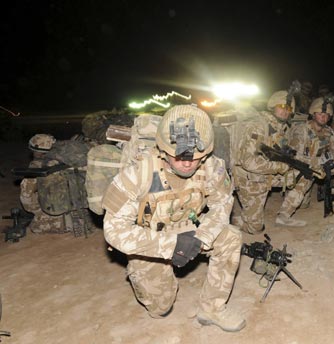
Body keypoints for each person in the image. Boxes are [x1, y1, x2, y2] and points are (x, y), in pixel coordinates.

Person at [102, 105, 245, 332]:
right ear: (163, 149)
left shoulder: (212, 167)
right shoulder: (139, 173)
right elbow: (114, 231)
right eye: (178, 156)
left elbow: (222, 203)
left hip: (192, 228)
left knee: (231, 237)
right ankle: (153, 279)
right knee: (161, 309)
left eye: (196, 157)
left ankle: (212, 308)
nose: (187, 163)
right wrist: (171, 245)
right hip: (150, 239)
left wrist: (202, 236)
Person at [232, 90, 303, 232]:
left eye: (288, 109)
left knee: (301, 175)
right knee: (255, 229)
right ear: (272, 106)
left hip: (264, 175)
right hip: (248, 179)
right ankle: (233, 219)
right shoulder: (259, 126)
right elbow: (248, 162)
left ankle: (284, 215)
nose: (285, 111)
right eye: (281, 107)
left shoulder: (280, 127)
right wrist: (278, 167)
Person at [280, 97, 334, 215]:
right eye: (320, 114)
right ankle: (285, 211)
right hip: (302, 168)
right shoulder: (302, 130)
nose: (323, 117)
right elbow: (295, 156)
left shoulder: (328, 131)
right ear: (313, 114)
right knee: (303, 204)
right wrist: (317, 162)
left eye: (326, 115)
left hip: (319, 166)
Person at [20, 134, 67, 234]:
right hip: (78, 214)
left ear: (36, 151)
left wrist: (38, 211)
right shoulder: (69, 161)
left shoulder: (37, 168)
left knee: (35, 227)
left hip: (56, 217)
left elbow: (27, 200)